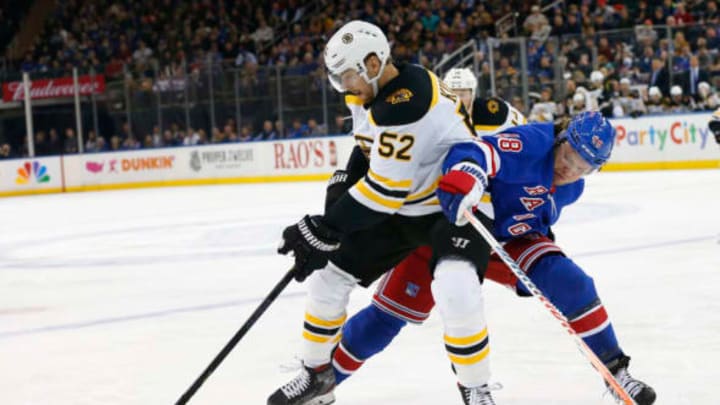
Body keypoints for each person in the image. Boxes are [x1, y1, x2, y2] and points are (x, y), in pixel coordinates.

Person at [326, 88, 657, 403]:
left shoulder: (574, 187)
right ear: (562, 138)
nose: (570, 169)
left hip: (510, 241)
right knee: (390, 315)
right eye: (570, 156)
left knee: (574, 284)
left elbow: (537, 216)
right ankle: (324, 381)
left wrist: (543, 246)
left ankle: (617, 373)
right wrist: (467, 176)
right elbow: (476, 151)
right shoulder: (532, 142)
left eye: (585, 167)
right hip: (461, 228)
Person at [268, 21, 496, 405]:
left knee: (455, 288)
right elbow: (368, 149)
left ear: (374, 62)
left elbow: (384, 192)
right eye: (337, 79)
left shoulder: (407, 103)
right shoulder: (369, 92)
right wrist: (342, 183)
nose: (344, 87)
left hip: (454, 207)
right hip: (407, 208)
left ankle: (476, 388)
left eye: (347, 77)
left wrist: (327, 226)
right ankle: (316, 377)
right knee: (328, 274)